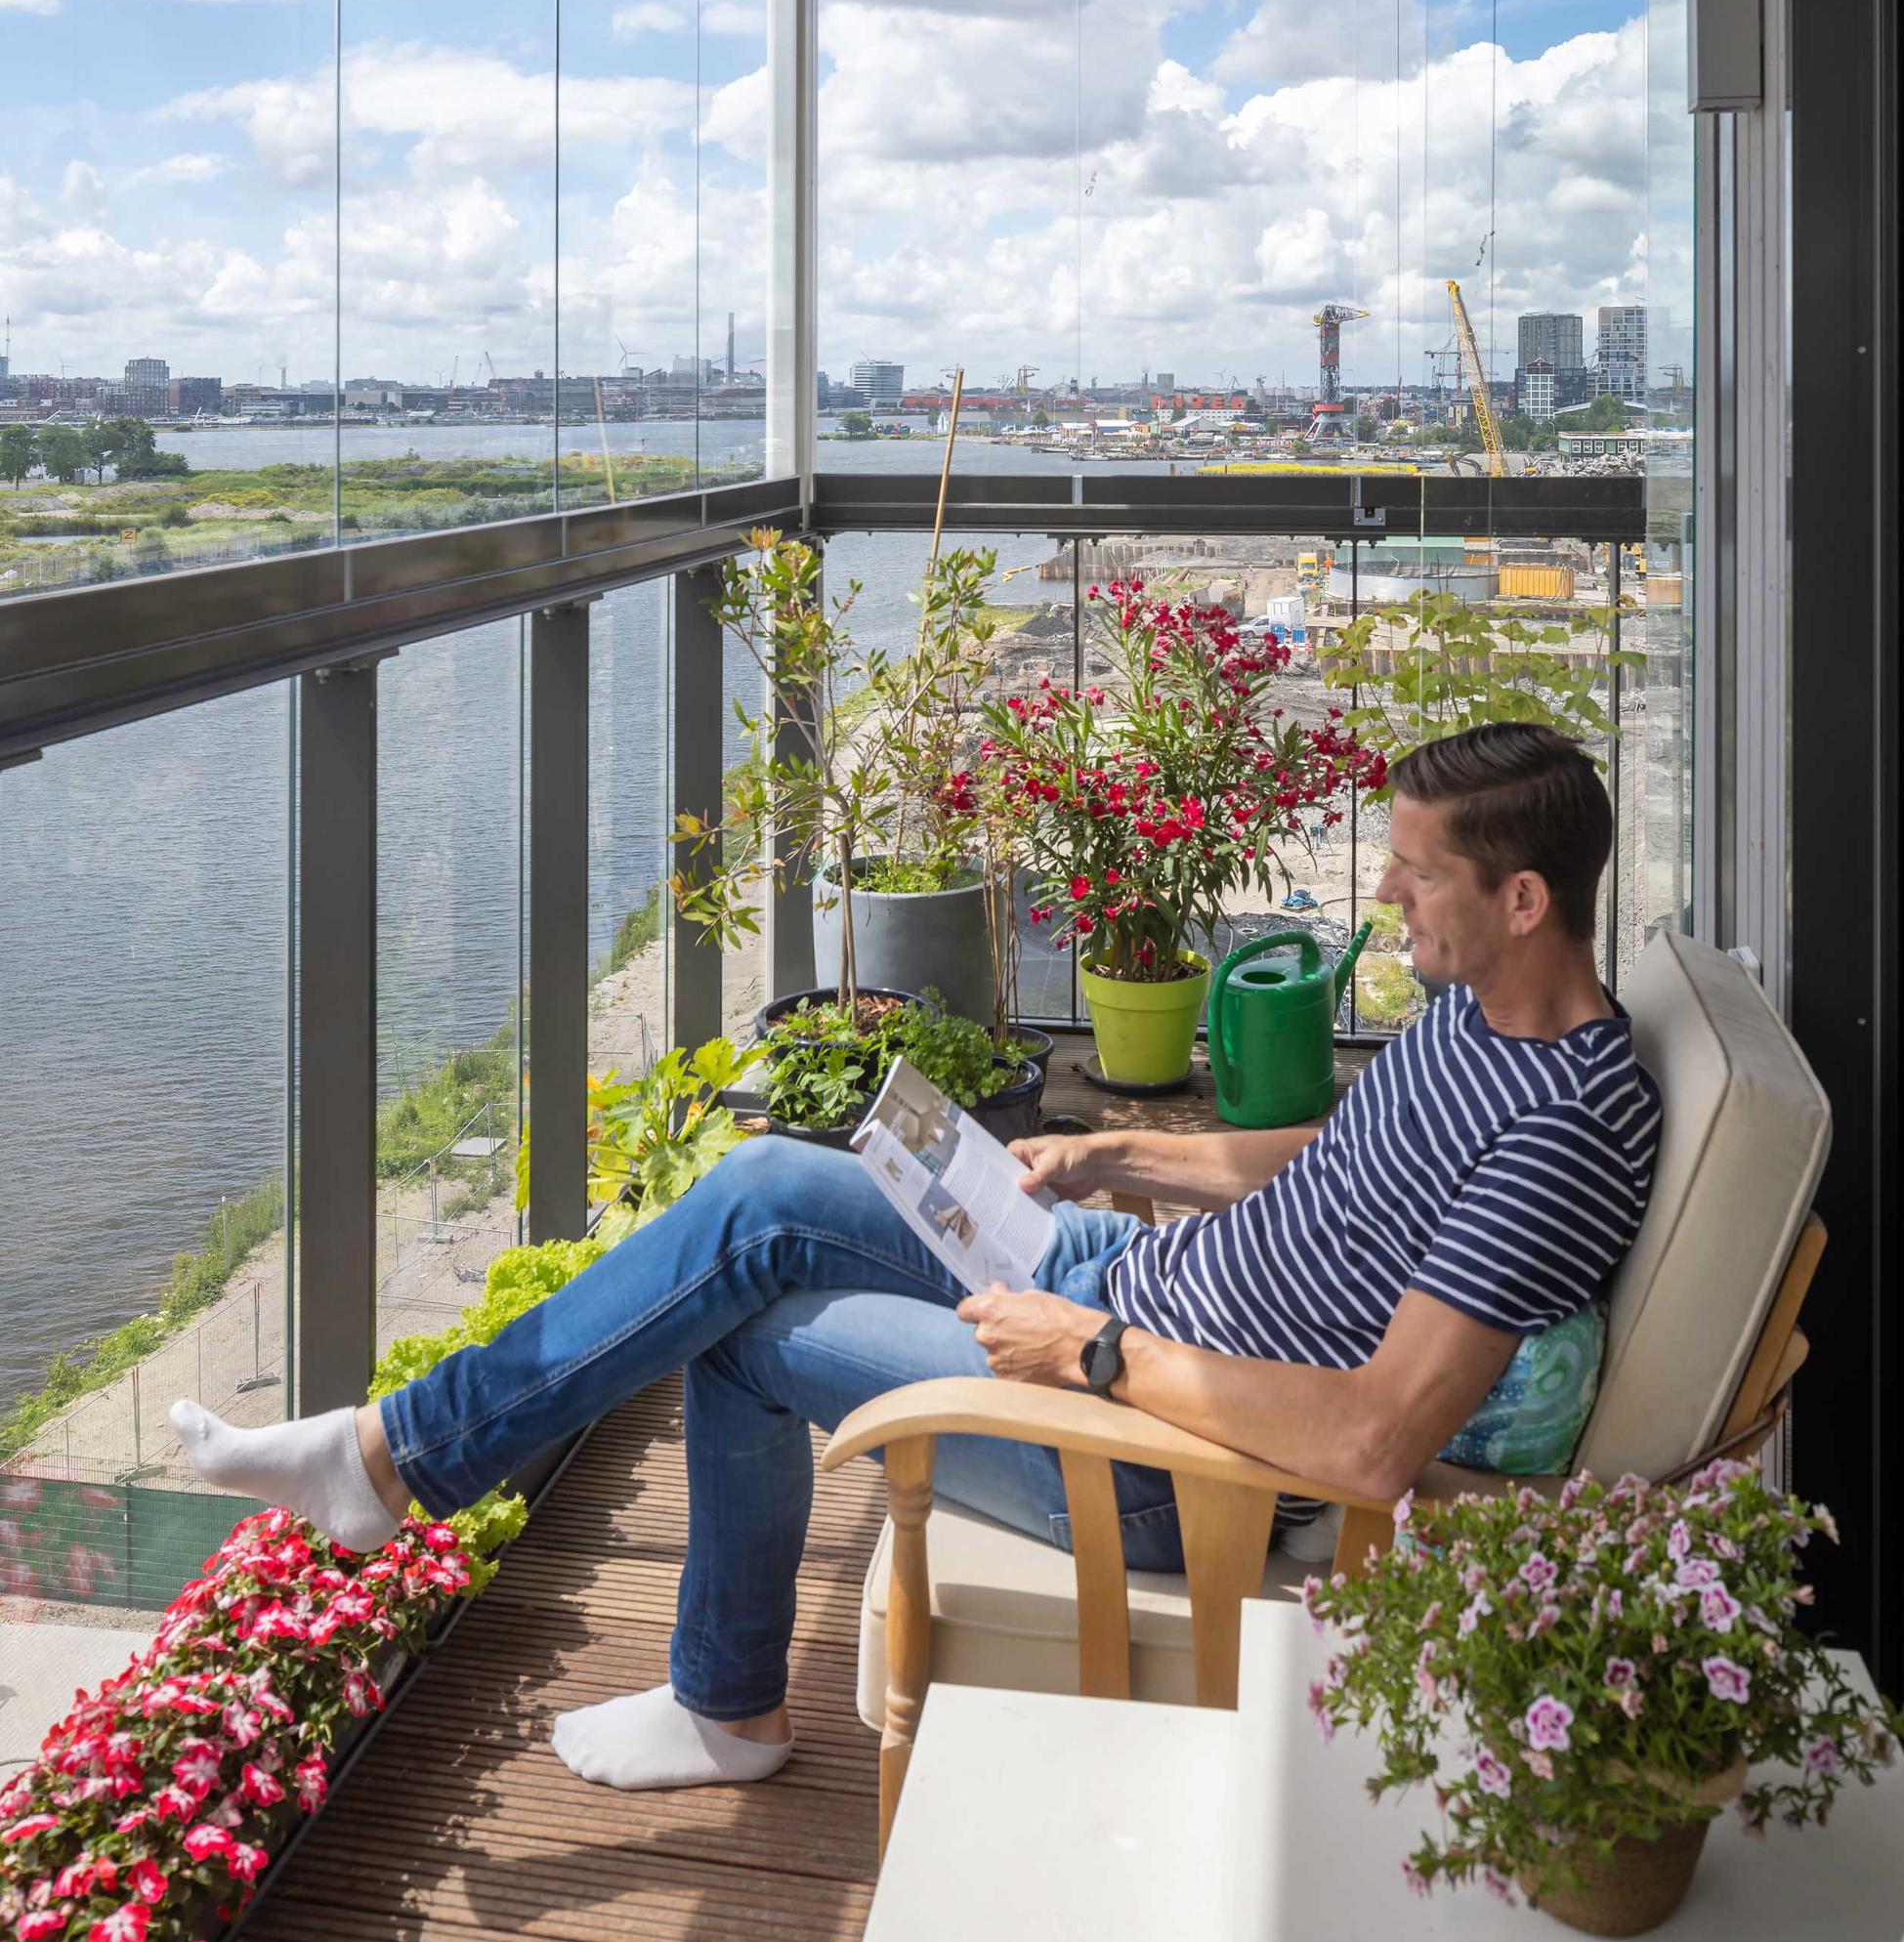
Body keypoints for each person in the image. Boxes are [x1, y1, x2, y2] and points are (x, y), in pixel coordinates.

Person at [172, 721, 1659, 1796]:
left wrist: (1090, 1357)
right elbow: (1330, 1173)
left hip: (1149, 1448)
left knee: (747, 1332)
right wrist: (1114, 1158)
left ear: (1521, 899)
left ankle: (723, 1706)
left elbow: (1375, 1439)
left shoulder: (1556, 1129)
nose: (1387, 902)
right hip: (1116, 1273)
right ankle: (389, 1456)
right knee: (760, 1180)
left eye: (1412, 876)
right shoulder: (1477, 1018)